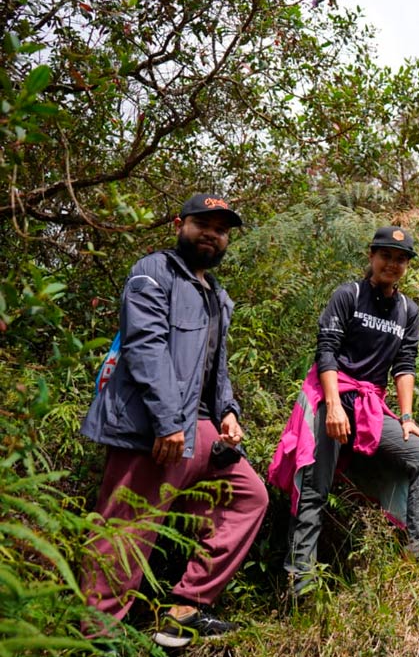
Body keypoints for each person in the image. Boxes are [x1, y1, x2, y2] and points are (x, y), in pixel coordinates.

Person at [79, 193, 269, 648]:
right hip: (153, 427)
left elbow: (216, 367)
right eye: (204, 224)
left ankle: (186, 608)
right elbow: (145, 347)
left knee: (248, 498)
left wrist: (228, 411)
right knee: (128, 526)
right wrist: (167, 423)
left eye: (221, 230)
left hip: (201, 428)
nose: (212, 235)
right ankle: (97, 635)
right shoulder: (152, 273)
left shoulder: (217, 296)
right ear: (180, 224)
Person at [273, 226, 419, 595]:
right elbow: (326, 350)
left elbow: (405, 365)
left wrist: (408, 418)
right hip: (332, 396)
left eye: (401, 259)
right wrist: (333, 406)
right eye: (386, 256)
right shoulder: (349, 294)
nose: (392, 264)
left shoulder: (407, 310)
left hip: (370, 407)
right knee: (314, 490)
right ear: (371, 256)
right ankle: (300, 584)